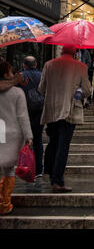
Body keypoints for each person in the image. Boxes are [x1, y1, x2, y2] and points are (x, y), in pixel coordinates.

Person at [38, 45, 91, 192]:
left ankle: (49, 172)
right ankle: (57, 180)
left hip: (52, 110)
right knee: (63, 145)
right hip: (69, 111)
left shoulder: (49, 65)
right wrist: (78, 90)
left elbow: (41, 89)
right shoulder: (80, 67)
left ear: (61, 51)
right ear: (75, 53)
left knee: (53, 142)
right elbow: (87, 90)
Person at [0, 61, 33, 214]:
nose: (14, 74)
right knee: (9, 170)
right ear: (6, 74)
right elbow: (22, 116)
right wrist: (28, 136)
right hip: (12, 134)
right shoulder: (17, 93)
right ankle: (5, 204)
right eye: (11, 71)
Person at [20, 56, 44, 180]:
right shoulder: (42, 75)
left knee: (26, 139)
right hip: (40, 110)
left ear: (24, 65)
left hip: (25, 110)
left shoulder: (21, 76)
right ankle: (39, 169)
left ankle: (26, 166)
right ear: (35, 64)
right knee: (38, 139)